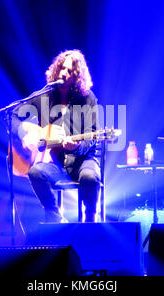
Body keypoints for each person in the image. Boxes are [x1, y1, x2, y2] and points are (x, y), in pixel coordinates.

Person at [12, 50, 101, 223]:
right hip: (56, 164)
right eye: (61, 68)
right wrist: (24, 134)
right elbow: (12, 116)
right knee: (36, 172)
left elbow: (93, 136)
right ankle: (54, 216)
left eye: (69, 71)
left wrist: (77, 146)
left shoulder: (87, 99)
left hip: (83, 161)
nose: (63, 73)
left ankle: (90, 220)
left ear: (77, 76)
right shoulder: (44, 96)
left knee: (89, 178)